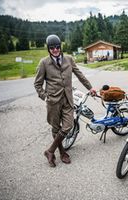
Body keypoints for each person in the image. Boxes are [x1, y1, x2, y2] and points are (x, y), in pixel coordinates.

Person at [34, 34, 96, 167]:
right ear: (48, 49)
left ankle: (50, 151)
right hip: (53, 101)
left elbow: (80, 75)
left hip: (68, 99)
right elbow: (37, 84)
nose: (55, 50)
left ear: (60, 47)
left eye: (57, 47)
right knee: (56, 128)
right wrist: (45, 97)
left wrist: (90, 88)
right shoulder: (44, 63)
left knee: (68, 125)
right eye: (52, 48)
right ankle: (61, 152)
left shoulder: (69, 59)